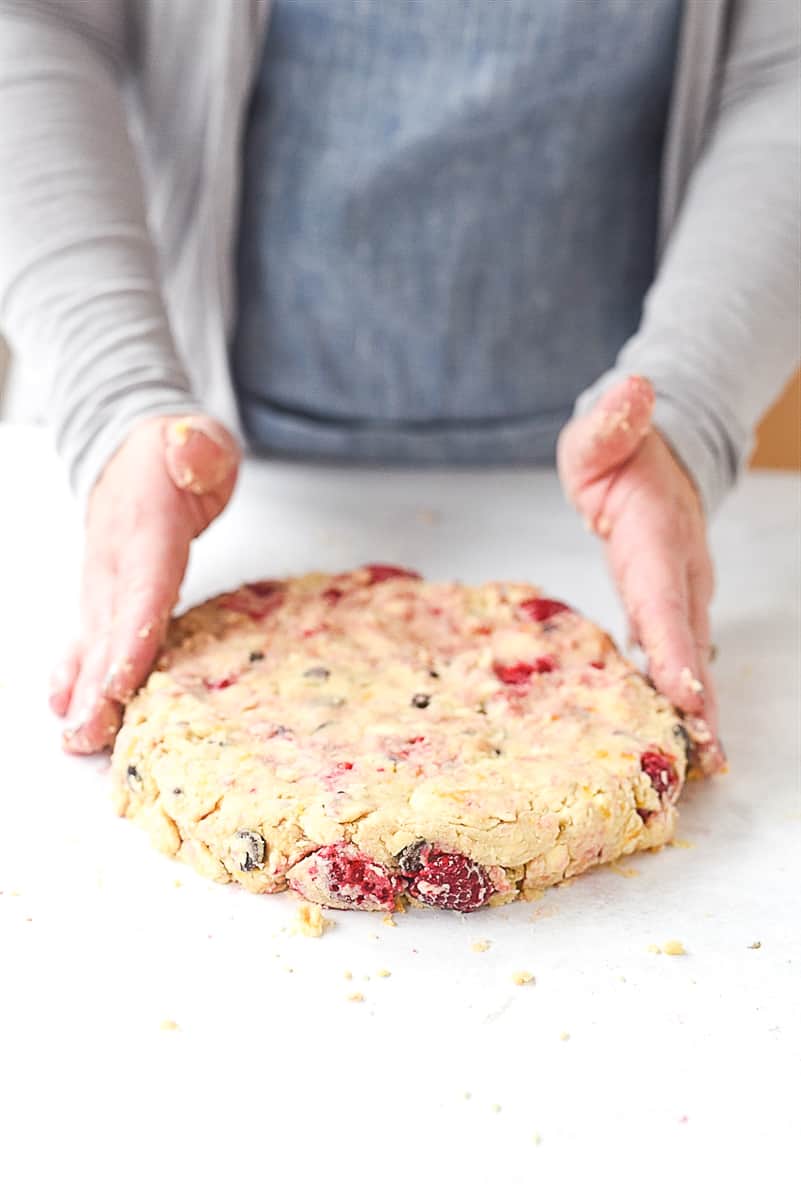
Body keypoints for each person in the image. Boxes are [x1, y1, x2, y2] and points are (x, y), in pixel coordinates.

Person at [0, 1, 797, 759]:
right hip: (170, 450)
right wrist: (113, 390)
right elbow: (35, 20)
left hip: (613, 478)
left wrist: (690, 396)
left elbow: (784, 72)